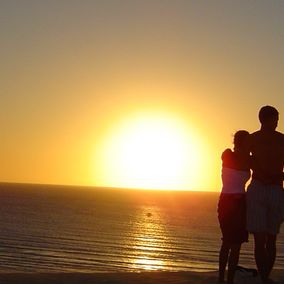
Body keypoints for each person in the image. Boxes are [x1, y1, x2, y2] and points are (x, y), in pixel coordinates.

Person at [246, 105, 284, 284]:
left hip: (275, 188)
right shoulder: (252, 139)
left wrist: (277, 176)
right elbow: (244, 160)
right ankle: (263, 278)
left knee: (271, 238)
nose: (277, 122)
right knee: (260, 239)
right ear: (265, 119)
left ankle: (265, 277)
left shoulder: (282, 139)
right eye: (275, 118)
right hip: (259, 188)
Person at [218, 130, 251, 284]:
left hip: (235, 202)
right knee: (231, 243)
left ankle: (226, 280)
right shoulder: (229, 154)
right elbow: (239, 163)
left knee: (232, 244)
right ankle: (224, 279)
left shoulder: (240, 157)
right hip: (231, 202)